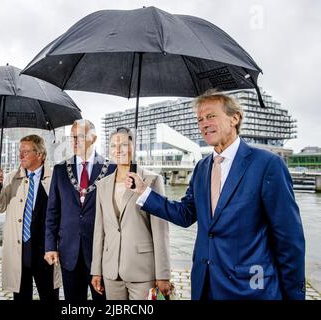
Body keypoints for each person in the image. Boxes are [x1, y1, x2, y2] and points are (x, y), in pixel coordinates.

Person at [126, 90, 306, 300]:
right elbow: (185, 214)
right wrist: (144, 192)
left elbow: (288, 238)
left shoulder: (267, 164)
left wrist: (294, 295)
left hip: (250, 288)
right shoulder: (202, 167)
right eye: (200, 119)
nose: (203, 124)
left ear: (234, 118)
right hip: (205, 284)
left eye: (211, 116)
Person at [91, 127, 171, 300]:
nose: (118, 150)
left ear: (134, 147)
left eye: (124, 144)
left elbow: (160, 230)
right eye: (113, 145)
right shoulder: (102, 185)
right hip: (111, 271)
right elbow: (99, 231)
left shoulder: (152, 180)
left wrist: (163, 274)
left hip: (142, 270)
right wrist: (96, 270)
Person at [44, 119, 116, 301]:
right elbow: (52, 212)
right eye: (72, 137)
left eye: (80, 137)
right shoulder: (60, 170)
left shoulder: (111, 169)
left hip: (102, 255)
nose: (75, 141)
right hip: (69, 254)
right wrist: (50, 246)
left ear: (94, 138)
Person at [0, 134, 60, 301]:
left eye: (26, 152)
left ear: (40, 154)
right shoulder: (11, 178)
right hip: (19, 251)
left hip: (46, 252)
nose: (20, 155)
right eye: (19, 151)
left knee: (50, 296)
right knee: (21, 297)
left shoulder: (56, 178)